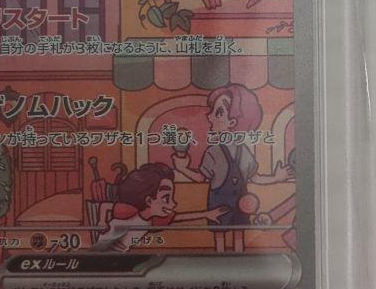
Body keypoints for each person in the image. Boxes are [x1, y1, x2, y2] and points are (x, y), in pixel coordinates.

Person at [171, 84, 291, 229]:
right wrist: (182, 169)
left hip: (242, 203)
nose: (209, 116)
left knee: (238, 233)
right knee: (221, 235)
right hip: (218, 203)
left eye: (218, 113)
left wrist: (276, 178)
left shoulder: (235, 151)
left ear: (232, 122)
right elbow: (203, 178)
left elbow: (253, 177)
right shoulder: (214, 151)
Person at [92, 162, 226, 252]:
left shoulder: (151, 221)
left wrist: (206, 214)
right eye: (166, 198)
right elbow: (105, 206)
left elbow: (178, 217)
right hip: (103, 252)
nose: (173, 204)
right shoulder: (128, 211)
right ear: (149, 200)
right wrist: (101, 221)